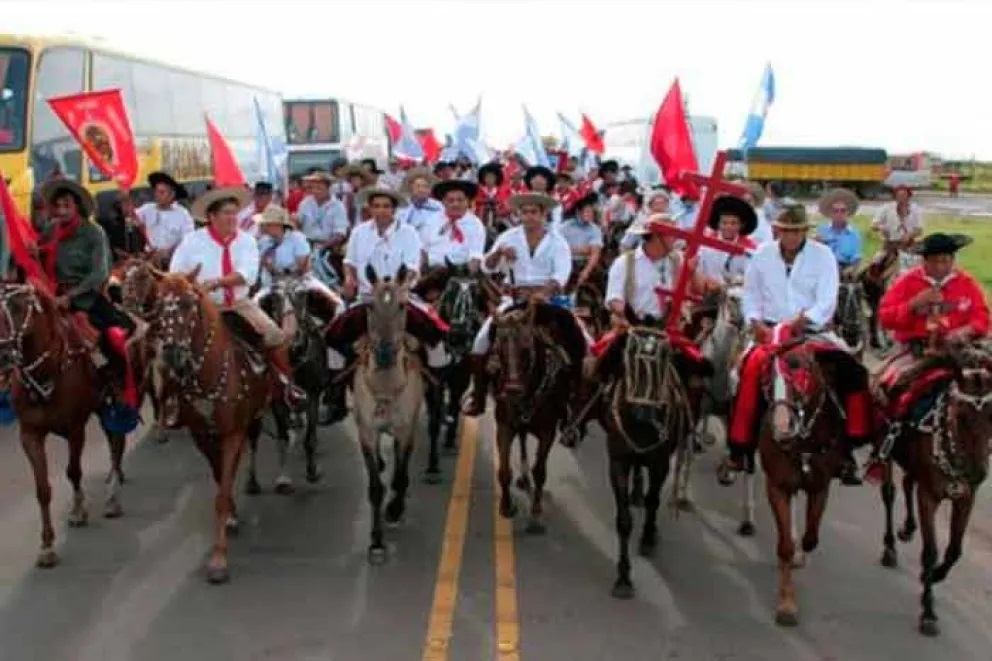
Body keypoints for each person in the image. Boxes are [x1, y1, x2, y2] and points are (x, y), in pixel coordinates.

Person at [720, 204, 871, 485]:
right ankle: (739, 448)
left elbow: (827, 298)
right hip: (770, 330)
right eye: (786, 231)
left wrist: (807, 318)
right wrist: (755, 322)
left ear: (804, 232)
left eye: (796, 231)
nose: (790, 237)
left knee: (852, 370)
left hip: (811, 331)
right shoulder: (762, 255)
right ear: (778, 230)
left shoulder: (823, 256)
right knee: (746, 372)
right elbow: (751, 294)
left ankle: (850, 446)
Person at [865, 232, 990, 477]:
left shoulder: (966, 282)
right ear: (925, 261)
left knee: (983, 387)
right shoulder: (908, 282)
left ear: (952, 260)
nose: (940, 267)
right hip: (917, 351)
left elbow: (982, 318)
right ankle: (884, 447)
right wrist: (912, 305)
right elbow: (885, 316)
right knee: (888, 386)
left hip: (959, 352)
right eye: (935, 261)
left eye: (945, 261)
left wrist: (965, 330)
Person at [170, 188, 305, 408]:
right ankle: (172, 399)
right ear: (211, 217)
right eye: (226, 213)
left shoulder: (247, 241)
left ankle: (287, 386)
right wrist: (192, 288)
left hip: (238, 304)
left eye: (235, 212)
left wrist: (216, 282)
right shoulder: (191, 241)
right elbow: (176, 274)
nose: (233, 218)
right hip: (203, 307)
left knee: (275, 336)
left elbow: (247, 275)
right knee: (172, 343)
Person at [324, 186, 450, 420]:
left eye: (386, 206)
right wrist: (350, 279)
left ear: (394, 210)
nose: (381, 211)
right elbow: (349, 262)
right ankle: (336, 398)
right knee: (332, 336)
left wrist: (404, 287)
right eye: (376, 206)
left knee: (437, 339)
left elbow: (413, 267)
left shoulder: (409, 232)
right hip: (367, 298)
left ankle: (437, 399)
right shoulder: (360, 232)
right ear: (370, 208)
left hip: (400, 298)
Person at [463, 192, 588, 417]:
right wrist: (499, 253)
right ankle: (478, 397)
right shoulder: (508, 237)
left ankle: (576, 399)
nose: (529, 217)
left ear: (543, 214)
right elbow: (487, 267)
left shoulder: (557, 241)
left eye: (534, 212)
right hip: (514, 299)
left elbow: (561, 274)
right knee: (480, 341)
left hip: (548, 301)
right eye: (525, 212)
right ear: (519, 214)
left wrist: (544, 293)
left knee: (582, 340)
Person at [39, 179, 147, 416]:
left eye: (67, 205)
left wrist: (72, 295)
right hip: (50, 295)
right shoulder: (49, 231)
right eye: (58, 206)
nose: (62, 211)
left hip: (84, 296)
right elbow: (38, 256)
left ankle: (118, 387)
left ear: (77, 206)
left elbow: (99, 272)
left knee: (119, 334)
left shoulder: (93, 232)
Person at [131, 171, 195, 266]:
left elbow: (188, 239)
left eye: (161, 192)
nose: (157, 195)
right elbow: (131, 216)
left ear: (172, 194)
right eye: (156, 191)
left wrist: (168, 252)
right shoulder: (147, 209)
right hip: (150, 260)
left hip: (174, 261)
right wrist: (125, 198)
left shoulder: (183, 214)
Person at [421, 179, 486, 270]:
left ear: (467, 202)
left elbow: (475, 257)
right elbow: (423, 251)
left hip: (460, 272)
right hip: (432, 271)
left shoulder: (475, 224)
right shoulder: (431, 220)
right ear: (443, 202)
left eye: (460, 200)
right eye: (451, 200)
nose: (455, 204)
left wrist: (466, 275)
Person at [695, 195, 758, 285]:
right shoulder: (706, 244)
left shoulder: (749, 249)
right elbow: (698, 270)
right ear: (718, 224)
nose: (728, 227)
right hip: (706, 290)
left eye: (733, 223)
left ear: (741, 225)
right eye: (724, 223)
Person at [870, 184, 923, 273]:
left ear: (909, 196)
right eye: (899, 196)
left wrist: (909, 235)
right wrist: (882, 228)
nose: (901, 198)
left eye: (904, 195)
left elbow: (919, 229)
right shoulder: (886, 208)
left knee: (920, 266)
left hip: (909, 247)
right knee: (875, 264)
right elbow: (874, 224)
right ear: (895, 197)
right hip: (890, 246)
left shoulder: (915, 209)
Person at [557, 192, 604, 293]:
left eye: (591, 212)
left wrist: (586, 271)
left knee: (597, 274)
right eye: (587, 212)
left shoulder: (595, 229)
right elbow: (558, 248)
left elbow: (595, 253)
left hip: (585, 262)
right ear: (578, 212)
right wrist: (584, 250)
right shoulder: (565, 227)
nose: (590, 215)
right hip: (566, 261)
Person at [814, 188, 862, 278]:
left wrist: (852, 268)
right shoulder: (822, 231)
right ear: (831, 213)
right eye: (836, 211)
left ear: (848, 212)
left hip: (845, 269)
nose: (839, 214)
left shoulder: (853, 233)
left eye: (843, 210)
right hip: (825, 268)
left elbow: (856, 256)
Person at [396, 167, 445, 234]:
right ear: (411, 188)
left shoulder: (438, 206)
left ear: (429, 190)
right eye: (418, 186)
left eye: (425, 187)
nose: (421, 190)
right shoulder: (402, 205)